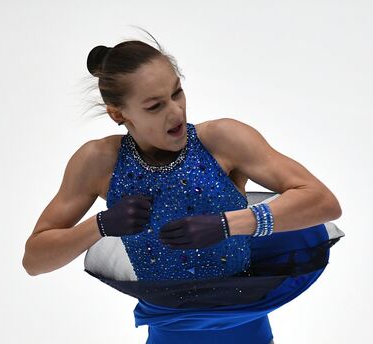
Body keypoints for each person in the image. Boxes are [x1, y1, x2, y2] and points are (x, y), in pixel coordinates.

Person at [22, 30, 343, 344]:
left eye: (177, 92)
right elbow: (34, 260)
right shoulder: (99, 161)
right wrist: (101, 225)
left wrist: (228, 224)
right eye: (154, 106)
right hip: (167, 332)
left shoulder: (223, 141)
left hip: (243, 329)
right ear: (118, 113)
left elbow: (324, 202)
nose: (175, 111)